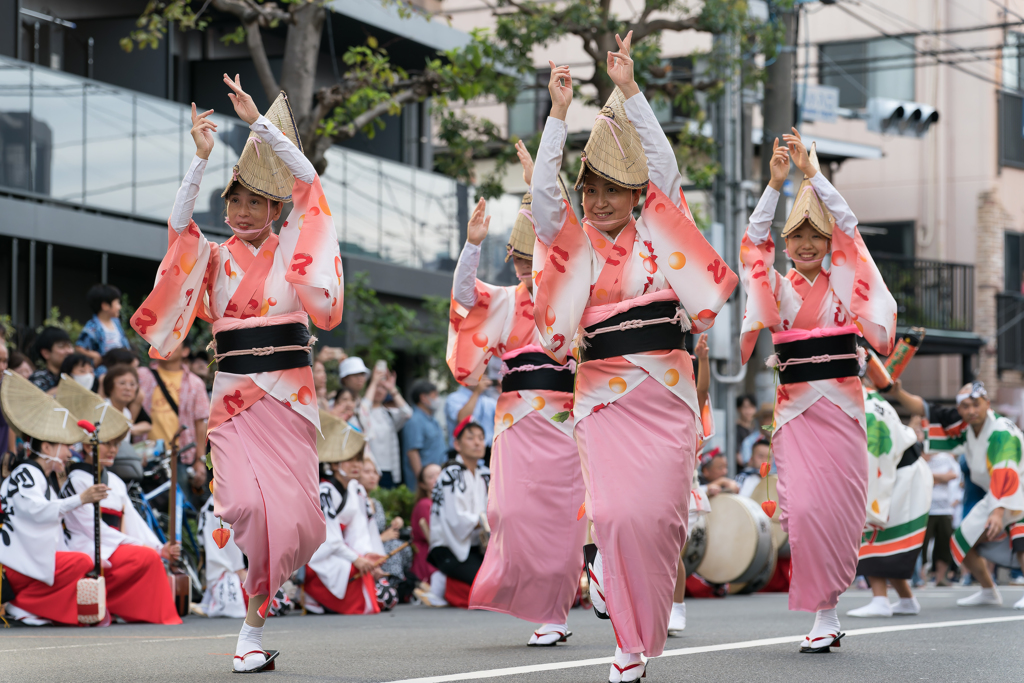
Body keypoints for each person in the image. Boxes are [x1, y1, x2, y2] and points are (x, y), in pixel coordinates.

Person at [530, 35, 737, 679]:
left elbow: (665, 166)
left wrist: (629, 91)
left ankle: (640, 626)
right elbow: (542, 196)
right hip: (601, 396)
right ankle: (625, 645)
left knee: (661, 521)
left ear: (635, 192)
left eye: (612, 190)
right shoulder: (576, 245)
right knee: (616, 515)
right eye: (590, 190)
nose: (597, 201)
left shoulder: (658, 231)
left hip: (668, 393)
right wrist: (558, 116)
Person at [129, 76, 342, 672]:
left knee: (297, 523)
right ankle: (250, 605)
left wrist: (258, 125)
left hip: (292, 397)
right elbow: (178, 231)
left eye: (255, 202)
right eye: (235, 201)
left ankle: (252, 628)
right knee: (248, 508)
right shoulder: (215, 258)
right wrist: (199, 162)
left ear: (275, 209)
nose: (242, 211)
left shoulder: (296, 247)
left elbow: (311, 187)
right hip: (234, 400)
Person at [739, 127, 897, 652]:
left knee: (842, 514)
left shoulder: (848, 288)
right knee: (803, 514)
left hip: (847, 415)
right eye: (796, 237)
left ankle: (829, 607)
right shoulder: (779, 290)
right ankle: (822, 613)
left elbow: (851, 229)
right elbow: (752, 247)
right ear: (787, 245)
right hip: (797, 416)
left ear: (829, 245)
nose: (805, 245)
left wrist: (814, 176)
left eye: (815, 237)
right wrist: (774, 188)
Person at [448, 155, 585, 646]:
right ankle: (537, 600)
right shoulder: (505, 301)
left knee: (564, 520)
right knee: (508, 513)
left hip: (565, 420)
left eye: (537, 256)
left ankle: (555, 611)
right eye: (520, 257)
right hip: (514, 422)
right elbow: (465, 298)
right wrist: (472, 244)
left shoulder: (574, 300)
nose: (528, 265)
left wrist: (540, 183)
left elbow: (573, 236)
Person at [56, 377, 182, 625]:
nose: (113, 449)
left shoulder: (115, 480)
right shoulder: (77, 479)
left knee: (150, 557)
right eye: (107, 444)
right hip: (89, 544)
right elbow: (89, 527)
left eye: (116, 444)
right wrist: (138, 546)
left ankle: (142, 611)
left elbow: (132, 521)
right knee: (144, 557)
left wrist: (159, 548)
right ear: (89, 446)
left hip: (115, 544)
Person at [894, 381, 1024, 609]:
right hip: (995, 494)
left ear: (987, 403)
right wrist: (896, 393)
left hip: (1015, 490)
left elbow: (1007, 469)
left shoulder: (1002, 431)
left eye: (976, 404)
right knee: (961, 540)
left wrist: (998, 510)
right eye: (965, 406)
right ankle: (988, 590)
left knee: (1021, 538)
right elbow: (928, 411)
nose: (971, 410)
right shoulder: (966, 428)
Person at [0, 371, 109, 626]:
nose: (70, 452)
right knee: (82, 560)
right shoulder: (26, 472)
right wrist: (80, 499)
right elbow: (38, 511)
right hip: (14, 561)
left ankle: (33, 606)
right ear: (47, 448)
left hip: (25, 556)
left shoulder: (38, 475)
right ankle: (23, 604)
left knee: (85, 559)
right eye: (65, 446)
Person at [846, 380, 932, 618]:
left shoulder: (867, 406)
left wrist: (865, 497)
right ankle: (906, 599)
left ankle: (881, 600)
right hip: (899, 471)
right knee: (885, 537)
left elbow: (874, 458)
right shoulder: (863, 397)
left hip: (898, 473)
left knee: (873, 528)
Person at [304, 410, 384, 616]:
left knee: (380, 590)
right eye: (350, 459)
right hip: (320, 556)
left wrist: (366, 555)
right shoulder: (325, 491)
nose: (357, 465)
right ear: (335, 464)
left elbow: (359, 530)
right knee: (361, 579)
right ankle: (313, 594)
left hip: (340, 551)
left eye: (359, 459)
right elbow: (328, 538)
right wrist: (356, 559)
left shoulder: (354, 489)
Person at [418, 419, 491, 608]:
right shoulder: (450, 473)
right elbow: (455, 518)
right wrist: (486, 520)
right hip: (450, 548)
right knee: (488, 589)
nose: (477, 442)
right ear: (457, 444)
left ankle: (446, 583)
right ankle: (443, 582)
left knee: (503, 581)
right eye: (471, 438)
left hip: (476, 547)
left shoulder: (485, 474)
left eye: (481, 438)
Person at [137, 343, 209, 462]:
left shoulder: (195, 383)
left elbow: (201, 423)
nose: (167, 344)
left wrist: (200, 460)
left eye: (173, 341)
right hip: (144, 456)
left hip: (181, 456)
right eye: (164, 340)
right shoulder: (142, 375)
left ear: (185, 351)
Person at [359, 363, 412, 489]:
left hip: (390, 469)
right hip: (370, 469)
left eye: (383, 388)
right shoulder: (361, 411)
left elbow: (408, 413)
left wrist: (392, 389)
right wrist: (374, 381)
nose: (379, 390)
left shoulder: (388, 414)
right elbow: (363, 410)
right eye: (377, 386)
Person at [197, 497, 247, 618]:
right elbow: (237, 566)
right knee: (276, 603)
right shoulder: (227, 504)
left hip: (216, 574)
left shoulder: (209, 504)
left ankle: (208, 601)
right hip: (230, 576)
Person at [922, 446, 959, 586]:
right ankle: (920, 578)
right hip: (925, 507)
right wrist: (941, 477)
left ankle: (940, 578)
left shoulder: (946, 456)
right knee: (922, 544)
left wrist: (932, 477)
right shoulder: (922, 454)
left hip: (945, 509)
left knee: (944, 544)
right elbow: (920, 475)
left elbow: (953, 476)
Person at [402, 380, 447, 488]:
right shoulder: (415, 421)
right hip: (425, 484)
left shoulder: (432, 419)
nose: (437, 399)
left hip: (436, 478)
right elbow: (413, 452)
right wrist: (422, 481)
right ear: (423, 398)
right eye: (435, 395)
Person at [76, 284, 131, 367]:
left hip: (121, 364)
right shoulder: (92, 326)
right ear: (105, 306)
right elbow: (79, 348)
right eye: (117, 303)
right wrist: (95, 356)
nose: (120, 307)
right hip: (104, 367)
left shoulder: (116, 322)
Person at [444, 374, 497, 450]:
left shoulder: (489, 401)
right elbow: (463, 419)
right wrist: (477, 392)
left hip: (487, 452)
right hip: (462, 453)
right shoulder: (453, 398)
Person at [411, 463, 442, 584]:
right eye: (431, 477)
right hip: (429, 556)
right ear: (422, 485)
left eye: (440, 474)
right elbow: (432, 535)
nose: (437, 479)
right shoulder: (425, 504)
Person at [104, 364, 152, 440]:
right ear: (109, 386)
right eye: (122, 383)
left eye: (132, 384)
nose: (128, 388)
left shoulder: (127, 413)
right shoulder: (103, 410)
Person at [29, 327, 74, 394]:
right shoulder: (39, 379)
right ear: (46, 353)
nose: (69, 351)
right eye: (62, 346)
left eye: (70, 346)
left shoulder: (75, 375)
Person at [735, 394, 758, 466]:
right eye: (745, 407)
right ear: (738, 409)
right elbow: (738, 456)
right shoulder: (735, 430)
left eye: (751, 407)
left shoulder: (756, 429)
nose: (749, 411)